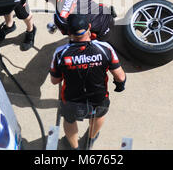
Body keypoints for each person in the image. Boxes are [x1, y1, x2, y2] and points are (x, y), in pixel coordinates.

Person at [50, 15, 126, 150]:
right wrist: (120, 85)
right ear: (89, 28)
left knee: (69, 120)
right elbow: (120, 77)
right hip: (99, 97)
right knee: (99, 115)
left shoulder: (60, 53)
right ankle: (90, 139)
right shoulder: (105, 48)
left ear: (69, 33)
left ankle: (75, 147)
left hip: (72, 99)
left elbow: (55, 81)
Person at [39, 0, 116, 41]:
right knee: (95, 3)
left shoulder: (59, 19)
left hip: (100, 35)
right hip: (109, 18)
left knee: (75, 35)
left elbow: (72, 35)